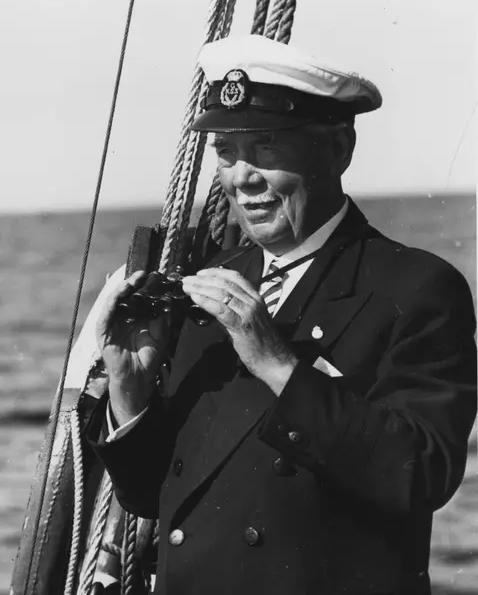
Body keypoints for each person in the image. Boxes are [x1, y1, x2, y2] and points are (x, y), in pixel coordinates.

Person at [87, 35, 477, 594]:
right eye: (226, 151)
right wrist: (129, 390)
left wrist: (276, 363)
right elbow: (153, 496)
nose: (241, 177)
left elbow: (422, 474)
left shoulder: (417, 288)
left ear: (338, 148)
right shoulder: (213, 280)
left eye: (266, 147)